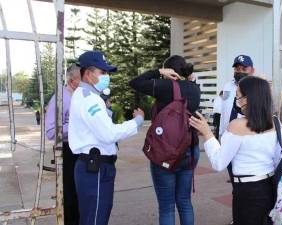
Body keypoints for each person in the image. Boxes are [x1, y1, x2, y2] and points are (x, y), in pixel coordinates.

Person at [189, 76, 282, 225]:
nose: (237, 101)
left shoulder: (237, 126)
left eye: (238, 96)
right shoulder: (276, 123)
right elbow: (278, 158)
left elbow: (218, 163)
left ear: (247, 99)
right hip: (270, 187)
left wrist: (207, 133)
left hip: (247, 191)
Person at [68, 50, 144, 225]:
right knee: (95, 219)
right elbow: (108, 134)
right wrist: (137, 122)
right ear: (88, 74)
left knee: (93, 216)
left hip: (94, 167)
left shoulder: (89, 96)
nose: (107, 76)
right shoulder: (90, 100)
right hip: (95, 168)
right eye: (102, 72)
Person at [129, 55, 200, 225]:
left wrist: (158, 71)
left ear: (169, 71)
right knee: (184, 202)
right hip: (190, 150)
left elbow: (135, 82)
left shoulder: (164, 86)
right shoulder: (194, 88)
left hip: (165, 153)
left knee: (167, 206)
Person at [219, 55, 255, 225]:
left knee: (246, 184)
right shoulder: (227, 86)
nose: (239, 72)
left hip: (246, 142)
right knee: (235, 183)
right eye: (237, 68)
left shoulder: (256, 88)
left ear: (251, 70)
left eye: (243, 68)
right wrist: (218, 133)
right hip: (228, 139)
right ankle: (238, 218)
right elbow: (221, 109)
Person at [45, 64, 81, 225]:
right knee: (70, 195)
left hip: (81, 150)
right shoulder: (60, 98)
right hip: (67, 151)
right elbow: (51, 131)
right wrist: (78, 124)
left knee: (81, 194)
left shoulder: (79, 95)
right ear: (73, 80)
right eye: (84, 78)